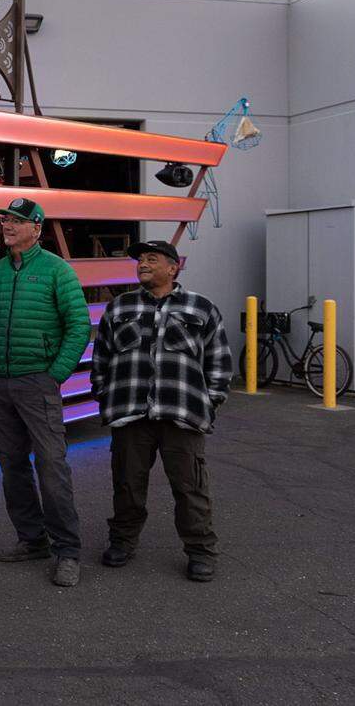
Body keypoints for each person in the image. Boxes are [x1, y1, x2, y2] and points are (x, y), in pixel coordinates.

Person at [90, 240, 232, 582]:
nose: (143, 264)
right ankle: (122, 541)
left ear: (173, 267)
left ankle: (200, 551)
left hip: (182, 414)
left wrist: (209, 402)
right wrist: (106, 394)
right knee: (127, 484)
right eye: (140, 259)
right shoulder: (119, 307)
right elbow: (101, 357)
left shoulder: (201, 308)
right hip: (130, 414)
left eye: (151, 259)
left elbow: (219, 362)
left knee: (190, 487)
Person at [0, 198, 91, 587]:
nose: (7, 225)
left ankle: (68, 551)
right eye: (5, 220)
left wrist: (54, 374)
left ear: (36, 228)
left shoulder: (57, 271)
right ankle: (32, 539)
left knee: (51, 466)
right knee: (12, 466)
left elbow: (79, 325)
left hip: (37, 382)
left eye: (17, 220)